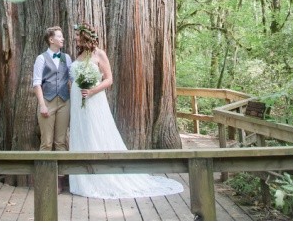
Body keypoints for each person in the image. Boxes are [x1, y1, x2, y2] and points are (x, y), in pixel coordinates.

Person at [68, 23, 183, 199]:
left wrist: (92, 91)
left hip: (93, 99)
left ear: (85, 37)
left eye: (77, 35)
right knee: (82, 133)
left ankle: (99, 175)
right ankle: (82, 178)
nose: (75, 38)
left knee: (95, 133)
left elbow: (109, 79)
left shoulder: (99, 54)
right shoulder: (79, 55)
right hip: (78, 100)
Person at [31, 26, 72, 151]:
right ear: (51, 40)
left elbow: (72, 80)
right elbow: (37, 83)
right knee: (47, 142)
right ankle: (44, 171)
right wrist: (42, 105)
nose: (62, 39)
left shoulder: (67, 57)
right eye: (59, 36)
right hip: (47, 102)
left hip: (65, 102)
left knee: (61, 141)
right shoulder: (41, 58)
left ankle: (63, 171)